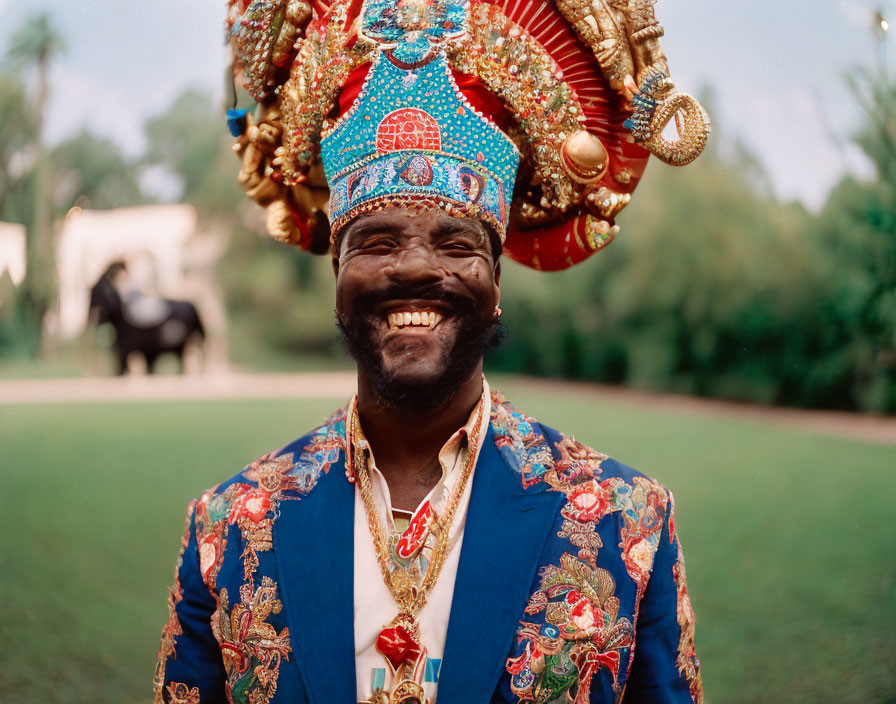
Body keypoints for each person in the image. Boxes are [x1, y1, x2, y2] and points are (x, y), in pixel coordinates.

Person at [154, 1, 709, 702]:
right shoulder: (227, 532)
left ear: (495, 281)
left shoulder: (627, 524)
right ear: (337, 278)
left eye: (456, 245)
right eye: (378, 242)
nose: (416, 268)